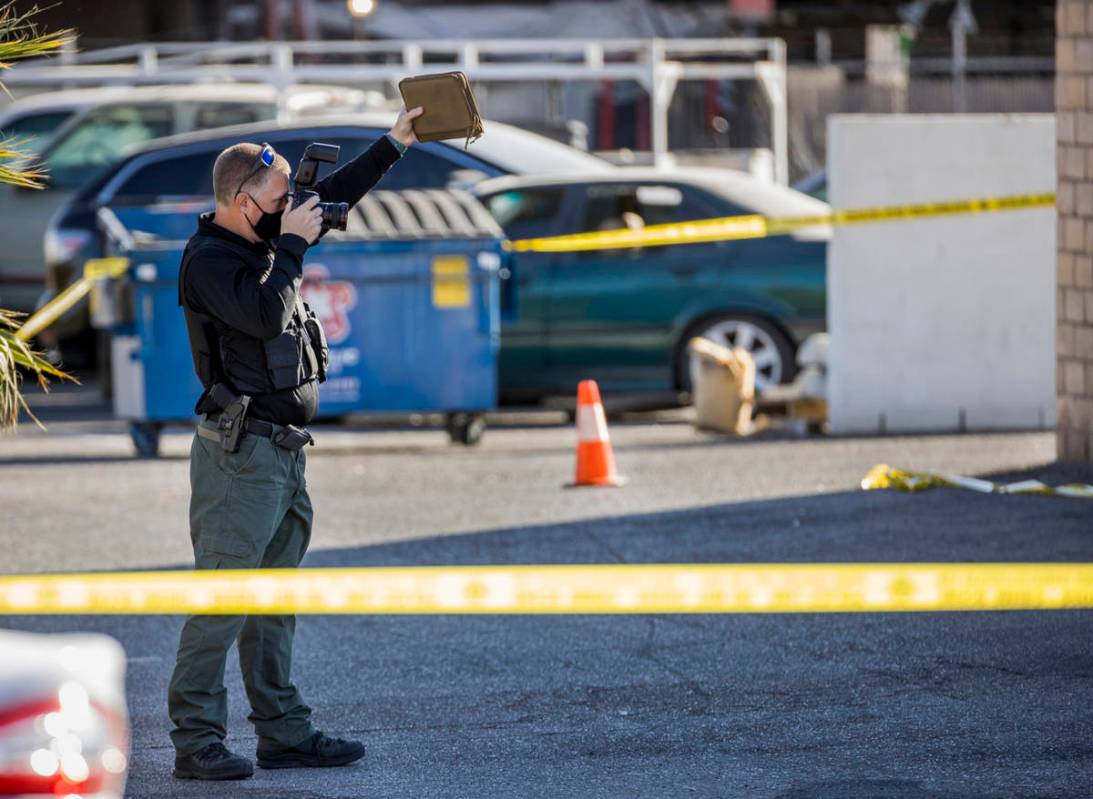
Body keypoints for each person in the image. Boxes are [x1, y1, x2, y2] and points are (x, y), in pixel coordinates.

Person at [168, 104, 424, 781]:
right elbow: (262, 313)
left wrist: (394, 143)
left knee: (273, 603)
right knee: (223, 600)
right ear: (241, 200)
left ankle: (282, 731)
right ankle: (195, 740)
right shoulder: (210, 261)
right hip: (240, 453)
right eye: (280, 201)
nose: (293, 209)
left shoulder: (264, 238)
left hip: (281, 450)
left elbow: (331, 196)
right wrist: (293, 246)